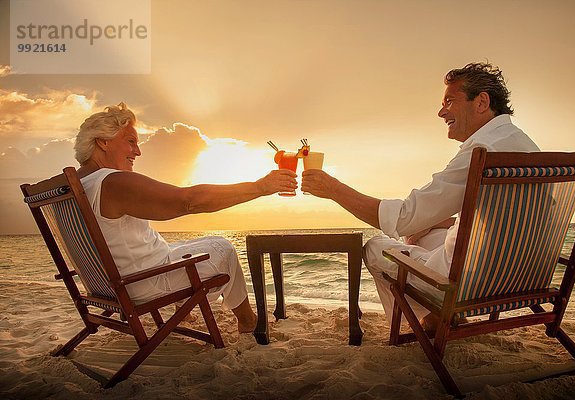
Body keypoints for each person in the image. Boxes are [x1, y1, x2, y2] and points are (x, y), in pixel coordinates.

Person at [301, 62, 540, 329]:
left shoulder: (481, 151)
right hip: (524, 277)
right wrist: (436, 223)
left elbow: (404, 218)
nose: (441, 112)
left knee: (377, 248)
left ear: (481, 102)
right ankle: (440, 315)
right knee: (424, 233)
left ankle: (432, 320)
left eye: (450, 101)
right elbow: (504, 222)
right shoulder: (527, 148)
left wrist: (333, 189)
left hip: (471, 283)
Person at [74, 103, 297, 333]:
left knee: (193, 246)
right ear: (103, 141)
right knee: (224, 248)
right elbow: (188, 201)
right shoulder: (112, 182)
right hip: (140, 284)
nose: (138, 152)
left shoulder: (77, 185)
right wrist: (259, 187)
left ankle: (184, 315)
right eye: (130, 141)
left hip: (107, 284)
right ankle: (249, 321)